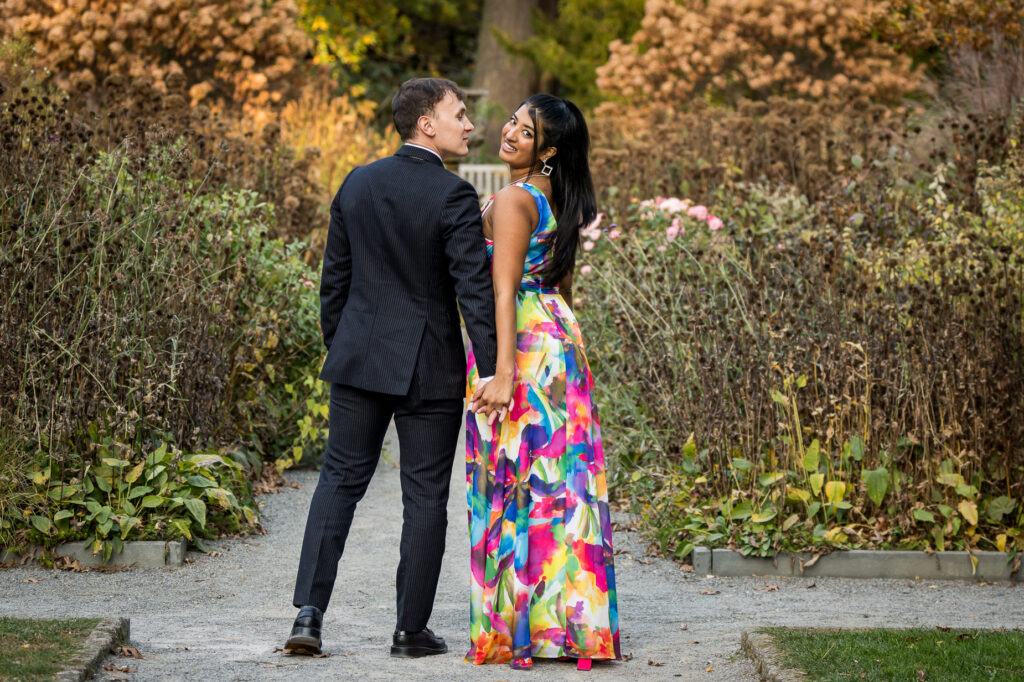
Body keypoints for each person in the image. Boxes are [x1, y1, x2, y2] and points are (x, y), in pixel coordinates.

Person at [285, 77, 504, 658]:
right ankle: (410, 631)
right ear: (426, 123)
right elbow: (473, 293)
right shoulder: (452, 196)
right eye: (460, 114)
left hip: (359, 361)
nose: (470, 126)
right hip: (429, 368)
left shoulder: (358, 183)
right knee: (426, 496)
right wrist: (490, 369)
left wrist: (347, 345)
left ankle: (308, 616)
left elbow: (334, 283)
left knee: (338, 481)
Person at [464, 94, 621, 670]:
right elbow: (560, 283)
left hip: (523, 346)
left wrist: (502, 373)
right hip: (558, 335)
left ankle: (520, 632)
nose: (508, 132)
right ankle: (569, 629)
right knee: (562, 483)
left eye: (524, 131)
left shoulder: (513, 198)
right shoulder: (558, 197)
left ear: (547, 150)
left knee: (518, 481)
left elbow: (502, 289)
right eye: (511, 121)